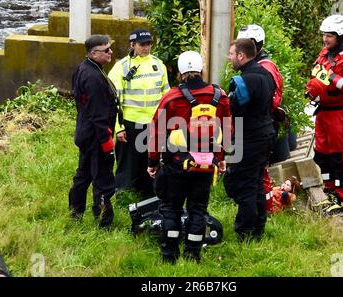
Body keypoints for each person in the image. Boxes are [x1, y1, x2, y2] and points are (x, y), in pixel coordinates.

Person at [147, 51, 231, 263]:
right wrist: (221, 158)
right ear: (201, 69)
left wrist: (153, 162)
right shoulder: (220, 96)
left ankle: (169, 255)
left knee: (171, 209)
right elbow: (227, 130)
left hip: (176, 164)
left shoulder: (172, 97)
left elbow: (156, 132)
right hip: (206, 164)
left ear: (180, 72)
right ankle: (193, 254)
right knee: (198, 209)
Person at [305, 15, 343, 215]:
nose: (325, 39)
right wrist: (313, 89)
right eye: (324, 34)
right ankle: (329, 188)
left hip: (341, 113)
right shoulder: (326, 53)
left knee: (338, 158)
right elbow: (317, 71)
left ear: (340, 36)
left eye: (330, 35)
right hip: (324, 111)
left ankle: (340, 199)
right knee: (322, 155)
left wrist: (332, 77)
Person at [223, 38, 276, 241]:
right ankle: (258, 230)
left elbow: (235, 109)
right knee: (257, 183)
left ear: (241, 56)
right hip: (266, 134)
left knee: (244, 185)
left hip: (250, 138)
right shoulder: (266, 74)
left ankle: (244, 233)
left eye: (231, 54)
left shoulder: (245, 80)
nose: (229, 58)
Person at [108, 29, 169, 199]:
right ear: (132, 45)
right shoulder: (121, 67)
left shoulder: (159, 64)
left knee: (152, 159)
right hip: (130, 122)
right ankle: (123, 193)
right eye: (142, 44)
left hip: (154, 123)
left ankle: (151, 193)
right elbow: (114, 101)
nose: (146, 47)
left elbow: (167, 96)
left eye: (149, 43)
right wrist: (118, 128)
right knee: (128, 162)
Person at [68, 35, 119, 229]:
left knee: (84, 175)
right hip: (97, 137)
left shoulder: (85, 68)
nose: (110, 53)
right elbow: (98, 114)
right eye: (106, 50)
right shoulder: (93, 77)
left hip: (86, 133)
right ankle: (104, 221)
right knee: (103, 179)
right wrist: (107, 142)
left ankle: (75, 212)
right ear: (94, 53)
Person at [237, 24, 285, 207]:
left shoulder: (265, 69)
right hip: (261, 124)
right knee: (259, 170)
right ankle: (263, 206)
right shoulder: (261, 66)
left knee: (259, 171)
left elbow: (270, 100)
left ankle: (265, 208)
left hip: (261, 125)